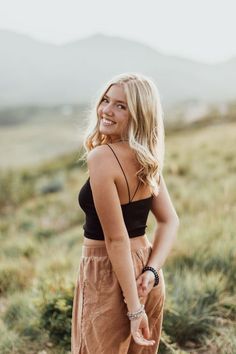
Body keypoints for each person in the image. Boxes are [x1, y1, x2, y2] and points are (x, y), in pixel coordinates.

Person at [71, 72, 179, 354]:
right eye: (106, 100)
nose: (106, 110)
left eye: (121, 105)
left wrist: (134, 311)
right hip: (147, 272)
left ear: (139, 114)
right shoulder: (147, 158)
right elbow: (169, 221)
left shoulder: (101, 158)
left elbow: (116, 240)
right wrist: (152, 271)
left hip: (108, 274)